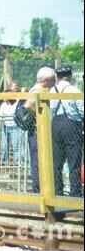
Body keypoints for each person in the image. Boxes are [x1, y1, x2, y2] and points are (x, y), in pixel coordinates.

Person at [50, 66, 84, 197]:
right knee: (74, 162)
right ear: (70, 75)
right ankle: (75, 193)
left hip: (56, 125)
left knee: (57, 163)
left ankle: (57, 192)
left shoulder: (52, 90)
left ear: (57, 76)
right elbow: (82, 109)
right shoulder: (74, 90)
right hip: (72, 125)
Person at [23, 66, 56, 193]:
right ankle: (39, 188)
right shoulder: (38, 90)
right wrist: (39, 116)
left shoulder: (38, 89)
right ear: (46, 80)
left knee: (39, 158)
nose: (54, 82)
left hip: (38, 130)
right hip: (37, 130)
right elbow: (28, 105)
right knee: (38, 159)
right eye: (53, 79)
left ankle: (41, 187)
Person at [0, 89, 19, 162]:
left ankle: (18, 161)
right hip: (5, 127)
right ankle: (4, 161)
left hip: (15, 127)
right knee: (4, 146)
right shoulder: (3, 105)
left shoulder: (16, 103)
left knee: (16, 146)